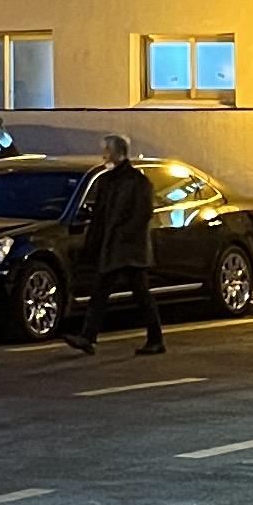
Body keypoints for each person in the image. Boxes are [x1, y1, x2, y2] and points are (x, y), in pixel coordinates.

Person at [69, 137, 163, 355]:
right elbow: (99, 217)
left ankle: (154, 339)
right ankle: (88, 337)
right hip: (115, 247)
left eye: (107, 151)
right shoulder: (108, 181)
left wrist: (122, 237)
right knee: (104, 291)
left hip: (129, 249)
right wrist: (93, 243)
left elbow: (142, 214)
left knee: (137, 293)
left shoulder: (137, 182)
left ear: (119, 153)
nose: (104, 156)